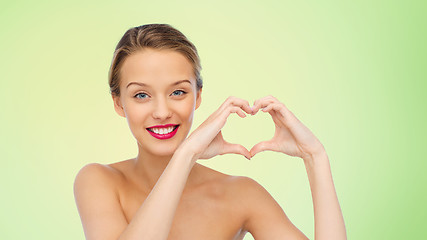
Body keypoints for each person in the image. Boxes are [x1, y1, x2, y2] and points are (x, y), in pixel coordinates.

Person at [73, 24, 347, 240]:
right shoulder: (99, 181)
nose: (161, 112)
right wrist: (187, 154)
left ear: (198, 96)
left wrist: (315, 157)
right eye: (141, 95)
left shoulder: (241, 194)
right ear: (119, 103)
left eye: (178, 92)